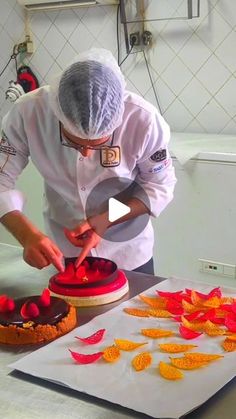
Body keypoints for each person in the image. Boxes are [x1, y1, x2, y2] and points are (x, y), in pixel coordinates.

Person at [0, 48, 176, 275]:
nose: (86, 154)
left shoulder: (143, 120)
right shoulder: (28, 113)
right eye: (74, 142)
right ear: (57, 113)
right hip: (63, 255)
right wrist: (27, 235)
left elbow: (159, 185)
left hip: (129, 254)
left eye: (96, 145)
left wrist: (106, 219)